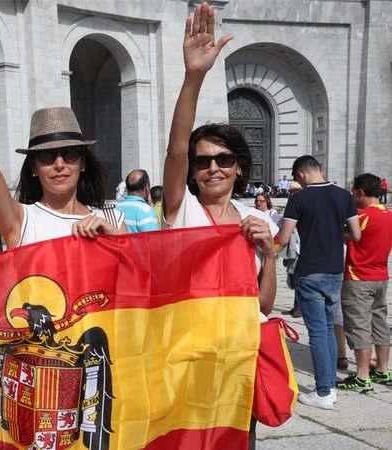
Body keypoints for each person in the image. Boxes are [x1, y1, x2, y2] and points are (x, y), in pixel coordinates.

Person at [162, 5, 276, 447]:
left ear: (239, 169)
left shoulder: (257, 219)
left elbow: (262, 308)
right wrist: (194, 77)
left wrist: (269, 255)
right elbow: (174, 151)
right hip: (184, 364)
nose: (213, 168)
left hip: (236, 368)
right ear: (192, 171)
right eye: (203, 161)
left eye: (223, 159)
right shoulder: (181, 209)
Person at [0, 20, 126, 251]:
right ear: (33, 167)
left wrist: (119, 241)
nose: (59, 164)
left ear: (83, 163)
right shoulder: (22, 219)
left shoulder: (114, 221)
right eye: (46, 156)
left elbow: (138, 280)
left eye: (70, 153)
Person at [277, 155, 361, 410]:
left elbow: (283, 237)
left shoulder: (299, 199)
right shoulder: (344, 196)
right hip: (335, 270)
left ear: (300, 175)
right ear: (320, 170)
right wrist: (337, 232)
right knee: (328, 327)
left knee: (318, 332)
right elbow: (356, 234)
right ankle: (329, 387)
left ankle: (324, 391)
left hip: (310, 271)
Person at [335, 173, 392, 393]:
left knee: (358, 326)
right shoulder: (388, 216)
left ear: (360, 192)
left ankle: (362, 376)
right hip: (381, 277)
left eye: (353, 192)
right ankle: (383, 370)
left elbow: (347, 233)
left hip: (359, 278)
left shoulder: (362, 216)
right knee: (379, 323)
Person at [281, 182, 303, 318]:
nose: (291, 194)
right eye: (290, 192)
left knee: (299, 279)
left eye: (294, 192)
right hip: (292, 249)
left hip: (301, 248)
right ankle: (296, 306)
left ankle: (300, 307)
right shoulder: (291, 205)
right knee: (293, 278)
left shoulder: (303, 205)